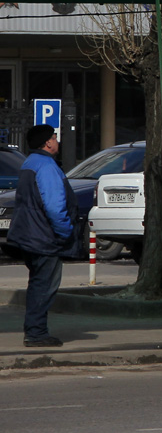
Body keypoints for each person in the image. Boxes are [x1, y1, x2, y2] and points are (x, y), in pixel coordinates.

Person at [7, 125, 79, 347]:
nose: (57, 141)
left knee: (37, 283)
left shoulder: (30, 163)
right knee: (44, 286)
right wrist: (66, 232)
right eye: (55, 137)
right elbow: (55, 208)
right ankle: (37, 333)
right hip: (45, 238)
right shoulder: (47, 167)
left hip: (29, 235)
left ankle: (35, 330)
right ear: (48, 143)